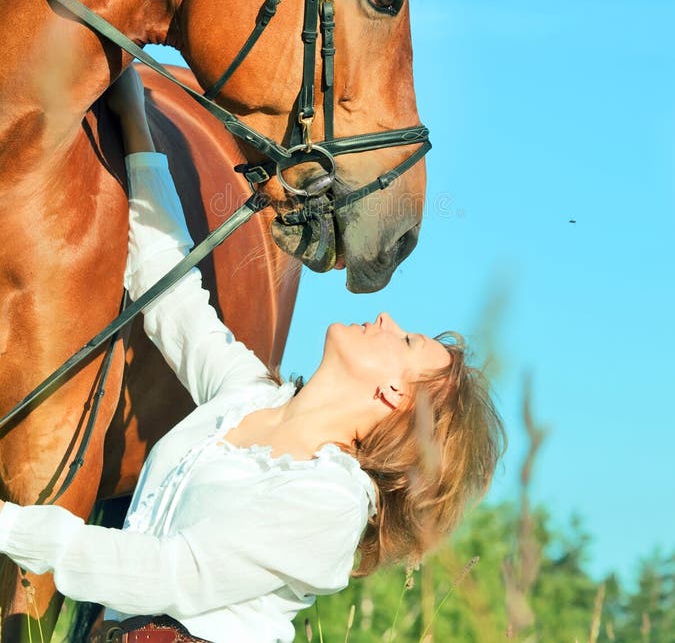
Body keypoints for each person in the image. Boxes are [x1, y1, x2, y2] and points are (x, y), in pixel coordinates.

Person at [0, 69, 505, 643]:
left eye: (406, 342)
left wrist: (5, 527)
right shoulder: (246, 399)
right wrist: (137, 124)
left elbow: (171, 574)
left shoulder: (330, 503)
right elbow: (170, 293)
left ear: (394, 396)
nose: (387, 318)